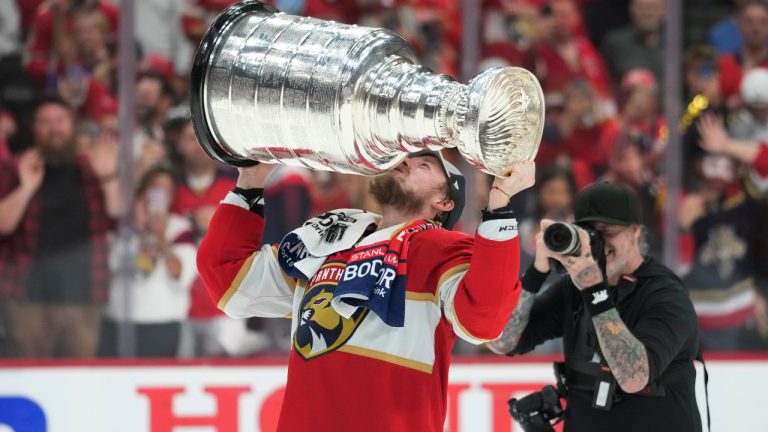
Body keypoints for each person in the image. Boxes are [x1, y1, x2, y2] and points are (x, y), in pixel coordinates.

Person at [197, 151, 535, 431]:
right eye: (404, 158)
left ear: (444, 202)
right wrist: (250, 182)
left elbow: (484, 319)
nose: (405, 162)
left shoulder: (445, 251)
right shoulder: (328, 237)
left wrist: (500, 206)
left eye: (424, 165)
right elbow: (230, 281)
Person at [487, 182, 703, 432]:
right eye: (589, 233)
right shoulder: (574, 287)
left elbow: (634, 377)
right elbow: (501, 341)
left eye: (608, 230)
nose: (599, 242)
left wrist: (595, 291)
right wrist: (537, 273)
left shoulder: (664, 293)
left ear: (635, 231)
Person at [0, 96, 120, 358]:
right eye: (45, 122)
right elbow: (4, 225)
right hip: (27, 299)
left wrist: (109, 177)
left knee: (80, 382)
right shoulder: (15, 167)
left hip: (83, 297)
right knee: (28, 380)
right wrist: (26, 187)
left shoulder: (91, 167)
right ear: (34, 128)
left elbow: (121, 216)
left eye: (60, 121)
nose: (53, 128)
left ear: (72, 125)